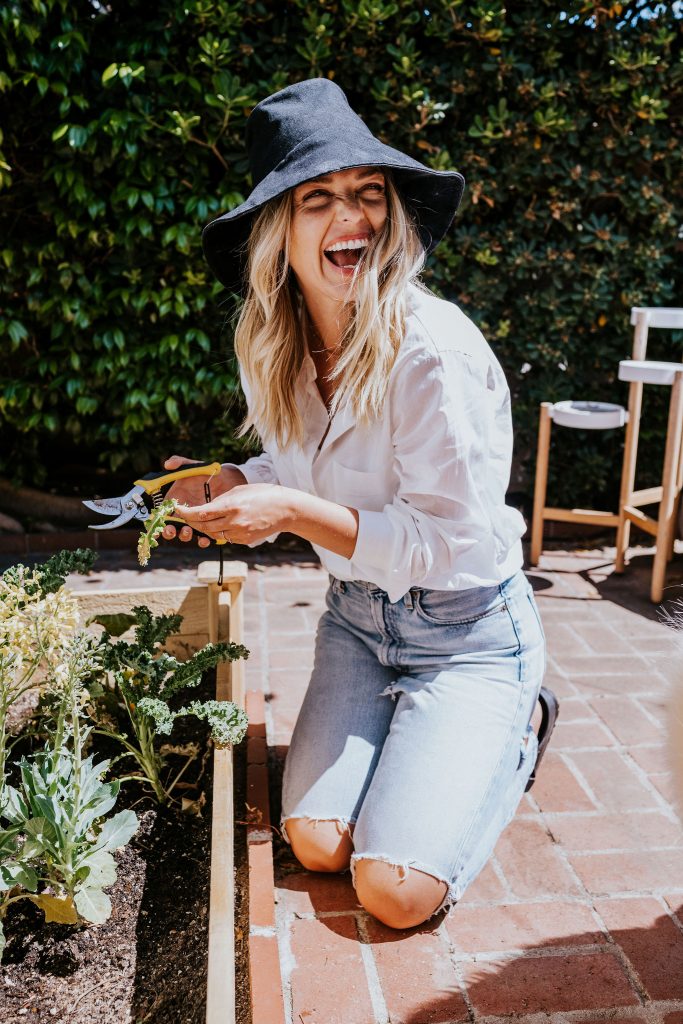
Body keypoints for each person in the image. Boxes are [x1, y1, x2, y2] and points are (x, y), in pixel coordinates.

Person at [163, 78, 558, 930]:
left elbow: (442, 541)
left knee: (393, 890)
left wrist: (289, 514)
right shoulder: (273, 339)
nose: (354, 216)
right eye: (320, 199)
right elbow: (292, 458)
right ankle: (420, 750)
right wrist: (234, 481)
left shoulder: (430, 352)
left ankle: (509, 729)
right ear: (280, 232)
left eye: (367, 194)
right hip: (355, 622)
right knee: (315, 843)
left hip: (467, 634)